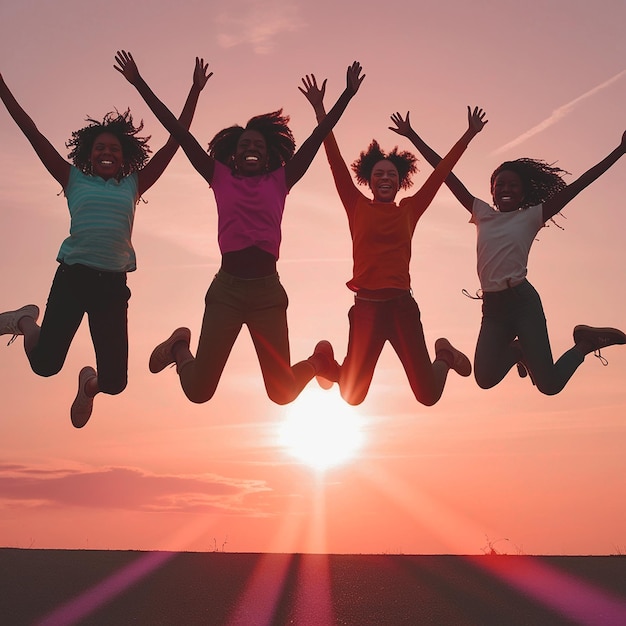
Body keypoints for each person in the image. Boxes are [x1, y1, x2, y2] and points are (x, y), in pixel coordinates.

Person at [114, 50, 365, 405]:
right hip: (227, 293)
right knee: (199, 391)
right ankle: (180, 348)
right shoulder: (219, 175)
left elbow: (317, 136)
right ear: (233, 153)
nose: (251, 149)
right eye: (245, 144)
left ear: (268, 155)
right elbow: (177, 130)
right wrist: (143, 82)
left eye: (258, 146)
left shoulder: (282, 178)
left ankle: (320, 360)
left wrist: (346, 96)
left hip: (266, 295)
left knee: (282, 393)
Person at [0, 58, 211, 427]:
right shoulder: (72, 179)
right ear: (88, 154)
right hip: (73, 278)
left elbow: (175, 142)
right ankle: (24, 322)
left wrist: (194, 90)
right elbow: (32, 131)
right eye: (99, 148)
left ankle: (89, 387)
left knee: (115, 383)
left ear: (125, 157)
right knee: (46, 366)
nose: (106, 153)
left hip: (112, 287)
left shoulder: (133, 185)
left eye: (113, 149)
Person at [390, 111, 626, 394]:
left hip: (523, 303)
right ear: (492, 191)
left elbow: (580, 184)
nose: (505, 189)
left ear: (523, 193)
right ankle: (517, 350)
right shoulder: (481, 212)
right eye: (499, 184)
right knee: (485, 378)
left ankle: (585, 343)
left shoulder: (532, 216)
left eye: (512, 185)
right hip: (493, 310)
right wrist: (412, 134)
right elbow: (445, 174)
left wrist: (619, 151)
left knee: (549, 386)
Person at [301, 74, 486, 406]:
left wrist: (468, 135)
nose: (385, 178)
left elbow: (441, 173)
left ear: (400, 182)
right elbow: (334, 160)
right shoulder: (356, 205)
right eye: (378, 175)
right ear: (369, 181)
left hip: (402, 308)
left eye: (391, 175)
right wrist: (320, 110)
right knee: (352, 397)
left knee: (428, 395)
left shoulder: (409, 210)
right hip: (367, 309)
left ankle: (443, 355)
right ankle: (326, 362)